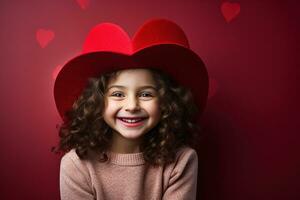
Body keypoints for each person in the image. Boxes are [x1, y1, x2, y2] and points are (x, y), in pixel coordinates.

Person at [52, 18, 209, 200]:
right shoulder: (77, 165)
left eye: (146, 94)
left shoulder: (182, 161)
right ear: (97, 102)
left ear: (167, 101)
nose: (132, 106)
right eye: (118, 94)